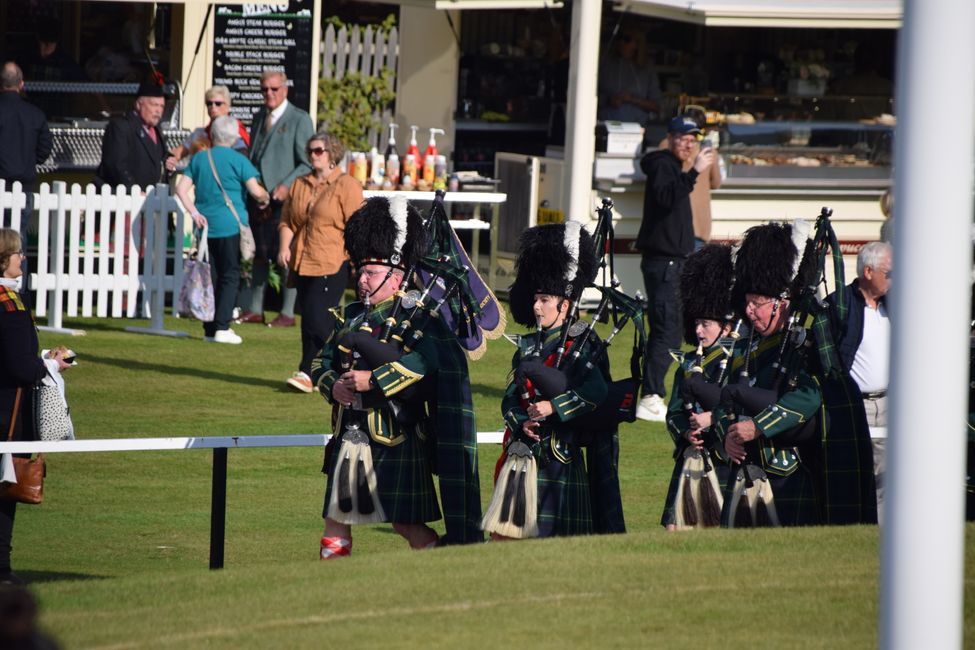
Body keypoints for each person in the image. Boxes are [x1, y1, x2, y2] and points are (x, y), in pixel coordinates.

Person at [312, 195, 482, 558]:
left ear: (396, 276)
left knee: (406, 524)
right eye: (360, 271)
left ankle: (445, 567)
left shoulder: (416, 315)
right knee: (335, 517)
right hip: (349, 434)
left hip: (394, 436)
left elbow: (425, 362)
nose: (361, 279)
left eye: (371, 273)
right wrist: (335, 387)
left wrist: (374, 382)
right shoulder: (352, 315)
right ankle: (325, 589)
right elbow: (320, 362)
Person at [482, 222, 607, 539]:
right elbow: (510, 398)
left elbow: (597, 391)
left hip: (560, 456)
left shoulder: (585, 341)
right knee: (504, 538)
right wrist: (521, 420)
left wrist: (554, 407)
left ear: (565, 304)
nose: (537, 306)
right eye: (536, 298)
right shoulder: (525, 346)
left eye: (546, 300)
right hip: (522, 453)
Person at [713, 222, 823, 527]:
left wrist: (758, 428)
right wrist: (727, 437)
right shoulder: (743, 346)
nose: (748, 310)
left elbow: (808, 396)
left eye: (756, 303)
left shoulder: (802, 343)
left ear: (780, 303)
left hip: (787, 470)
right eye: (747, 302)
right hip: (743, 468)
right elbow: (725, 400)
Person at [0, 228, 71, 584]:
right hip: (6, 413)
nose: (22, 258)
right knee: (5, 489)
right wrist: (53, 365)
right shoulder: (9, 304)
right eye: (17, 254)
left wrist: (42, 356)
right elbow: (19, 367)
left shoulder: (12, 299)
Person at [635, 116, 715, 422]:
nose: (689, 144)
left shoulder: (673, 167)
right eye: (684, 138)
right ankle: (650, 396)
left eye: (693, 140)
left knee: (675, 330)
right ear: (670, 138)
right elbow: (666, 197)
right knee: (666, 332)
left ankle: (657, 394)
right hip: (663, 263)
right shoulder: (661, 164)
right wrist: (695, 171)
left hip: (675, 262)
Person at [278, 133, 363, 393]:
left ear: (332, 154)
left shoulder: (346, 185)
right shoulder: (300, 184)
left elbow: (357, 224)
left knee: (318, 318)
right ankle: (318, 373)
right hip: (303, 260)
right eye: (311, 150)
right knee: (308, 320)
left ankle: (310, 370)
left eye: (319, 151)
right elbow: (287, 221)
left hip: (332, 260)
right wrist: (284, 246)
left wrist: (358, 262)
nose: (314, 155)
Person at [174, 116, 270, 344]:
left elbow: (181, 189)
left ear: (212, 135)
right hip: (230, 225)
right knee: (229, 276)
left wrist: (195, 213)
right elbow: (256, 192)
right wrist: (266, 198)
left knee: (210, 276)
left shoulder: (198, 159)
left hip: (205, 229)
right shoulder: (239, 160)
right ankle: (222, 327)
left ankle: (209, 328)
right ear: (235, 137)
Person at [661, 244, 735, 530]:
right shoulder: (688, 362)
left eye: (705, 324)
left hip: (724, 459)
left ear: (726, 328)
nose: (698, 331)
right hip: (690, 456)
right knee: (676, 528)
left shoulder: (738, 360)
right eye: (696, 323)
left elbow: (741, 409)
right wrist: (686, 432)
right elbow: (674, 412)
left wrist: (712, 420)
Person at [238, 70, 314, 328]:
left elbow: (307, 163)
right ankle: (256, 309)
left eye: (274, 89)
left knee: (285, 255)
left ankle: (288, 313)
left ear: (285, 89)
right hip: (258, 197)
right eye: (264, 89)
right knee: (260, 254)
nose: (268, 94)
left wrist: (286, 185)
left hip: (285, 199)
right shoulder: (260, 116)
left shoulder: (299, 119)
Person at [826, 241, 891, 523]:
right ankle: (854, 523)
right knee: (855, 469)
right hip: (855, 404)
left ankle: (882, 528)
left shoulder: (895, 305)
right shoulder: (840, 306)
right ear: (868, 271)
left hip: (889, 402)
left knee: (887, 472)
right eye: (888, 272)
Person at [0, 62, 51, 308]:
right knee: (19, 243)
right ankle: (20, 294)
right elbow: (44, 152)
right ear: (22, 84)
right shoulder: (35, 114)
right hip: (25, 186)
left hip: (1, 183)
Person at [657, 107, 723, 249]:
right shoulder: (709, 151)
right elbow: (716, 183)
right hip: (700, 227)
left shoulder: (668, 145)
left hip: (675, 229)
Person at [94, 81, 169, 189]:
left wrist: (169, 165)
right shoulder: (120, 126)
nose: (158, 110)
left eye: (162, 106)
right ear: (139, 104)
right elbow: (115, 165)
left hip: (150, 199)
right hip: (122, 199)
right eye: (154, 105)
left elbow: (159, 162)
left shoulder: (157, 131)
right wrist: (133, 190)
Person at [167, 85, 250, 171]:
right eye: (209, 103)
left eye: (218, 103)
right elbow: (179, 152)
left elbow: (242, 161)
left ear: (228, 107)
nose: (213, 107)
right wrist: (171, 160)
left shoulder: (236, 131)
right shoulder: (200, 133)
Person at [597, 27, 662, 125]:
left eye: (627, 39)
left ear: (637, 44)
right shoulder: (606, 64)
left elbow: (657, 106)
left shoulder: (646, 68)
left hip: (636, 127)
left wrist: (631, 99)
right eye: (619, 38)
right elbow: (589, 95)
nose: (621, 43)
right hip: (606, 125)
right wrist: (608, 100)